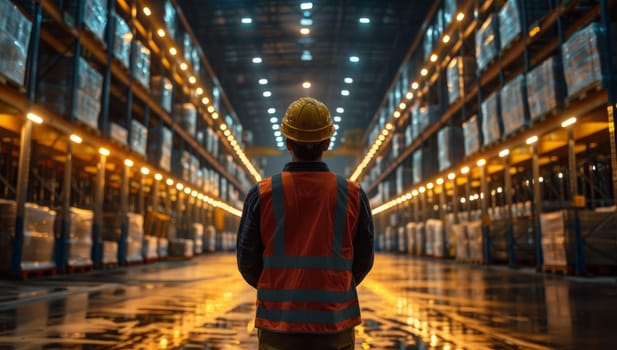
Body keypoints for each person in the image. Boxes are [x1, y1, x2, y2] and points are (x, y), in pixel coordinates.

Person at [236, 97, 375, 350]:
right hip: (335, 325)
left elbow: (247, 262)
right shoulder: (353, 194)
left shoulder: (263, 194)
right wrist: (334, 286)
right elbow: (364, 259)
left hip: (278, 326)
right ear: (328, 142)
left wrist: (282, 287)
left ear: (288, 142)